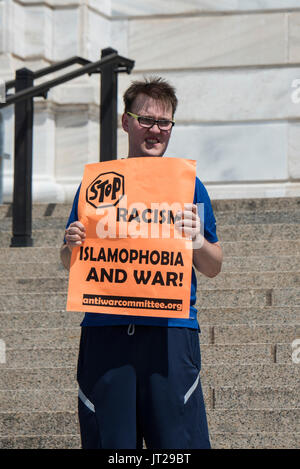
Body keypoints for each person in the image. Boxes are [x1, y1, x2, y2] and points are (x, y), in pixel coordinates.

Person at [60, 77, 223, 449]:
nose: (155, 130)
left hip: (171, 333)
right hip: (106, 330)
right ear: (125, 122)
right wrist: (71, 245)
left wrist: (196, 239)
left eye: (164, 122)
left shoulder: (190, 186)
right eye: (146, 120)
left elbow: (213, 266)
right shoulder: (97, 184)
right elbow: (69, 261)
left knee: (179, 446)